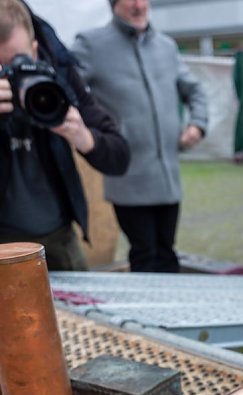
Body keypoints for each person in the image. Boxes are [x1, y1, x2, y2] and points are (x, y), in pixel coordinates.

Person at [73, 0, 208, 273]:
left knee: (167, 253)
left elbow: (195, 90)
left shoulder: (166, 47)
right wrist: (93, 134)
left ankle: (171, 314)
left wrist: (198, 124)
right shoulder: (92, 44)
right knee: (145, 254)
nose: (138, 5)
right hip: (128, 178)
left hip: (167, 177)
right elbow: (67, 88)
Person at [0, 0, 130, 270]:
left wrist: (84, 137)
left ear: (35, 52)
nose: (10, 76)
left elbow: (119, 156)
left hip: (60, 243)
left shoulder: (57, 76)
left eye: (17, 62)